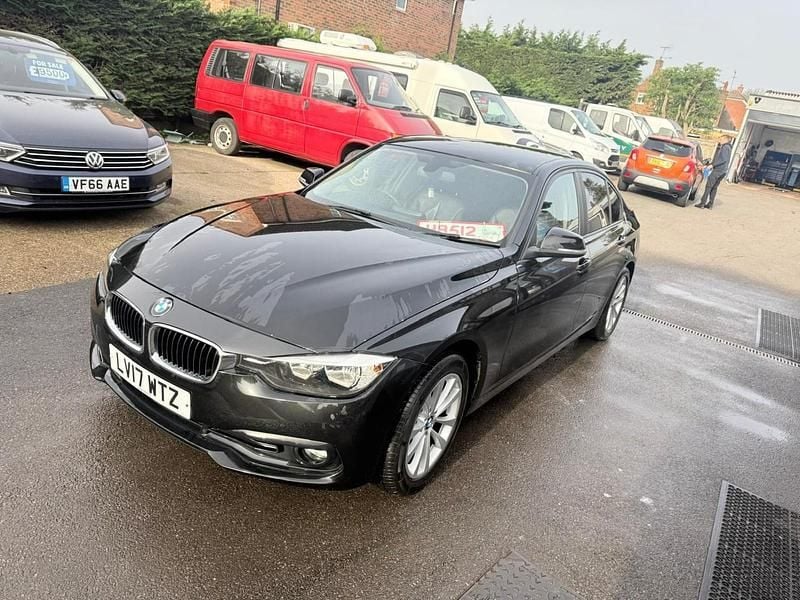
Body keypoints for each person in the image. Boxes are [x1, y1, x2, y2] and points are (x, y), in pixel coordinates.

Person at [696, 134, 734, 209]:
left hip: (718, 170)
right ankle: (710, 204)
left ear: (726, 140)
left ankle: (702, 203)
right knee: (714, 187)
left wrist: (713, 165)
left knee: (709, 186)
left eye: (721, 139)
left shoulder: (725, 147)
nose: (720, 141)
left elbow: (723, 159)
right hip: (722, 171)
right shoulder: (728, 148)